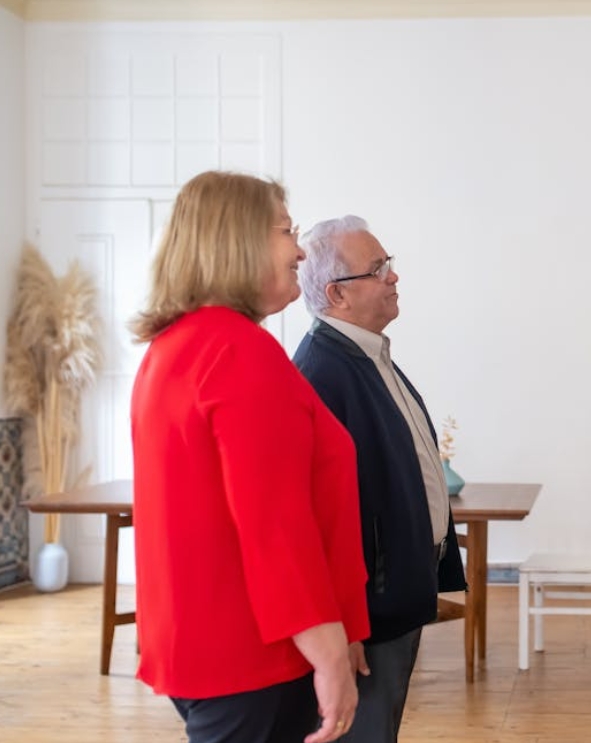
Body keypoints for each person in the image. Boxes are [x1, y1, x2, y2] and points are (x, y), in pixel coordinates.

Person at [130, 171, 370, 743]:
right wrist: (328, 651)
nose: (300, 251)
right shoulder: (238, 351)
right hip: (257, 655)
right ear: (238, 241)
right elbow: (275, 525)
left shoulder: (175, 346)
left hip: (207, 648)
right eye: (286, 231)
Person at [293, 216, 467, 743]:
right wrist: (340, 624)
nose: (393, 276)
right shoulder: (322, 372)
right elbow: (317, 516)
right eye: (377, 269)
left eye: (388, 264)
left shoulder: (366, 353)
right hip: (367, 611)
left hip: (393, 597)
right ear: (337, 294)